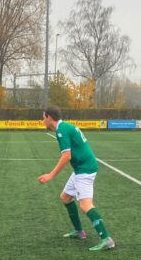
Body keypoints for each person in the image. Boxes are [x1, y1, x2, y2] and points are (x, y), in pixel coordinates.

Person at [38, 106, 115, 251]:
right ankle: (79, 231)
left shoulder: (61, 130)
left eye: (43, 117)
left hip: (85, 169)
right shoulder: (64, 127)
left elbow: (66, 156)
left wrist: (51, 175)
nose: (42, 120)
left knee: (85, 205)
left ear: (49, 117)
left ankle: (107, 239)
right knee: (65, 197)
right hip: (81, 168)